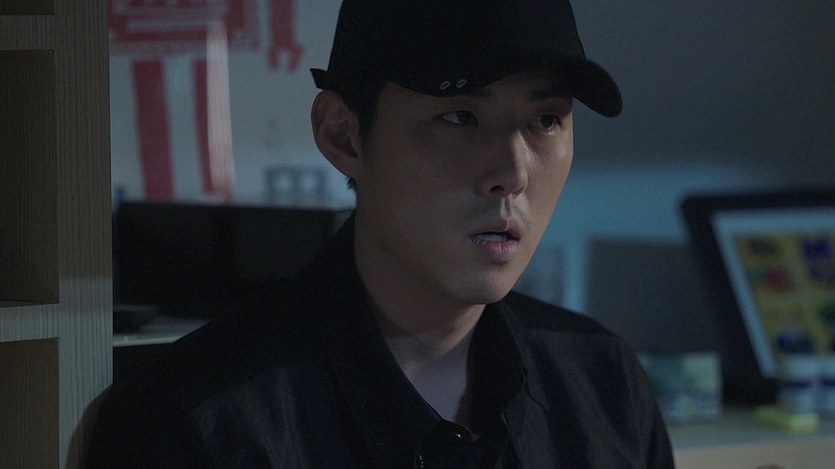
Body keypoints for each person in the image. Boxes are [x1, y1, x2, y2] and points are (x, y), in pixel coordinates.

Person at [86, 0, 674, 467]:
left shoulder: (604, 384)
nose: (512, 173)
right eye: (459, 117)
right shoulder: (200, 419)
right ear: (343, 136)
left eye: (545, 120)